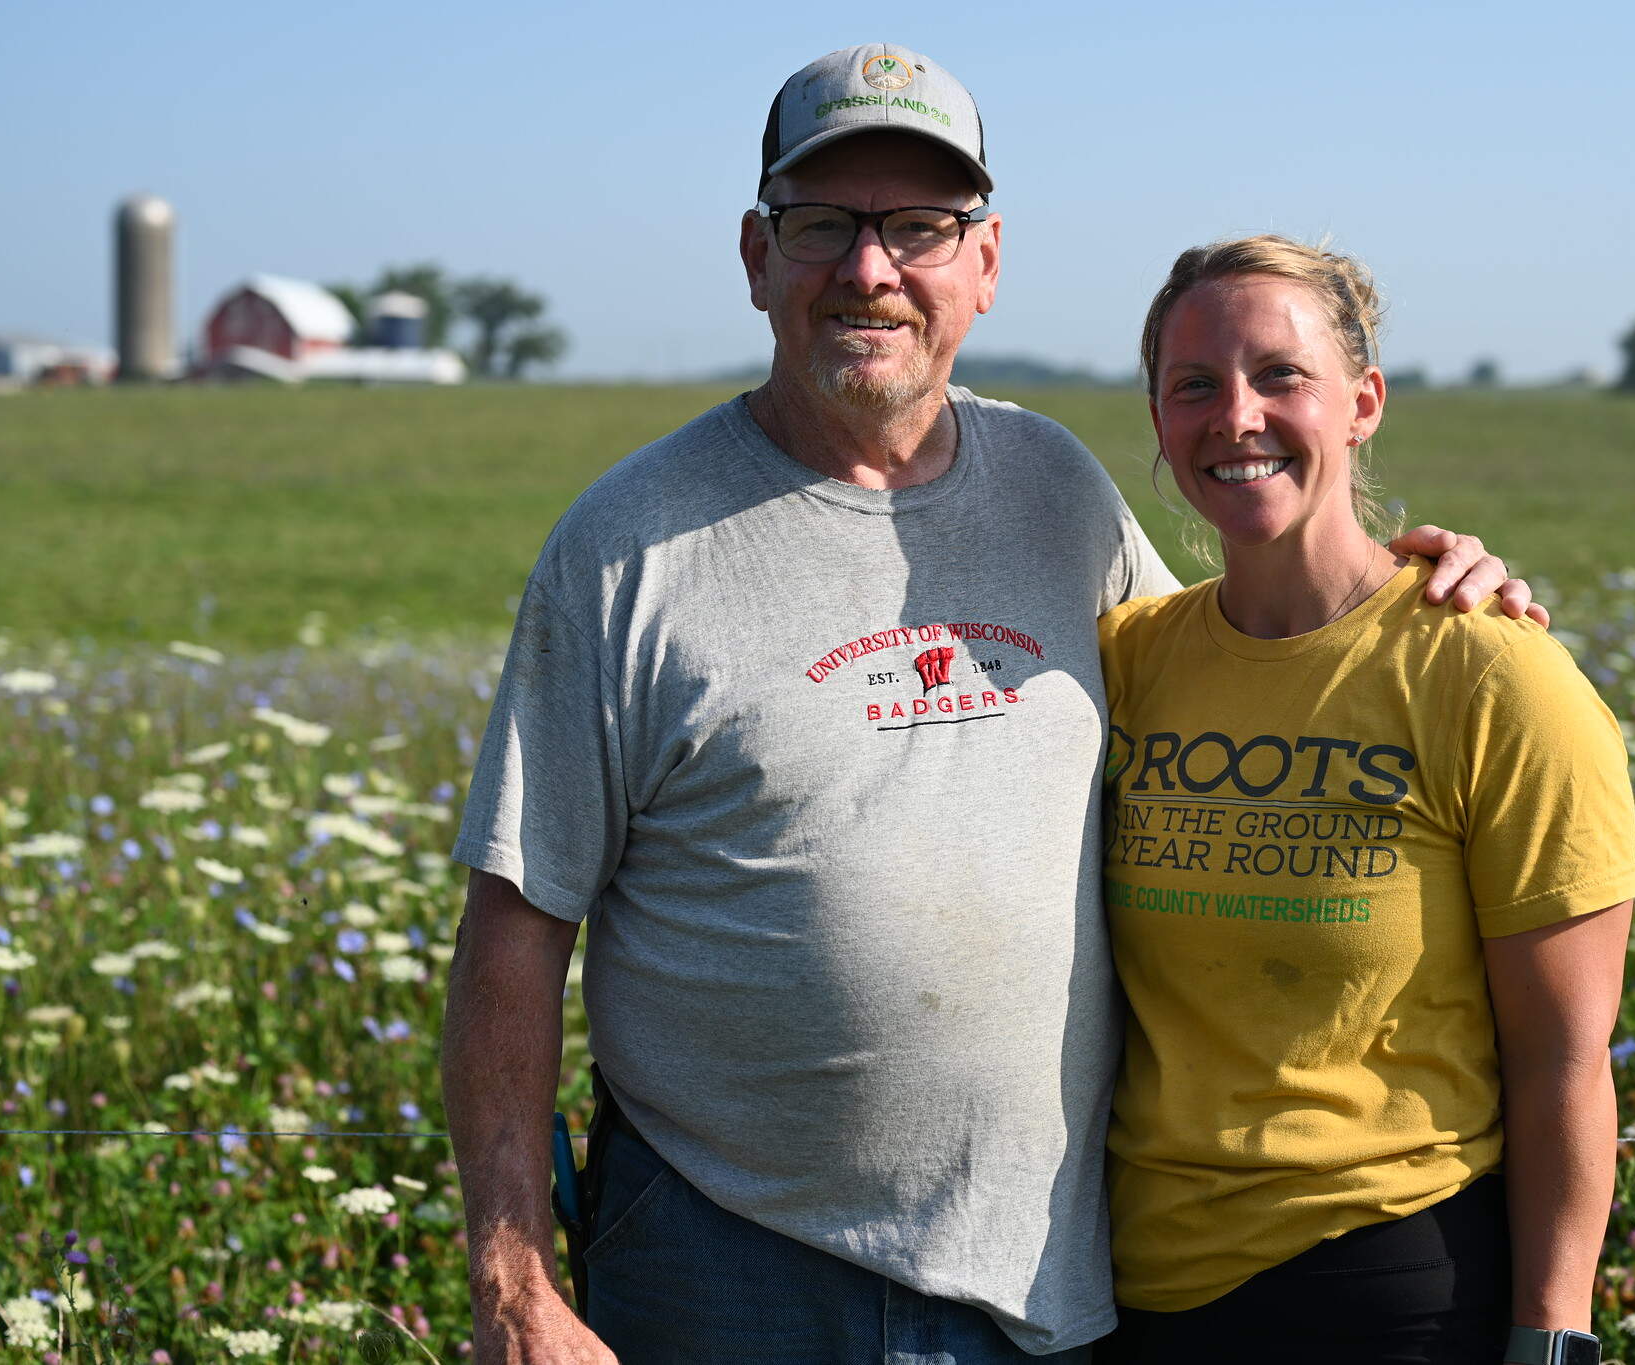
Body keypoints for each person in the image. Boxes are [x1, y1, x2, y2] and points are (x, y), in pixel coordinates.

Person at [441, 46, 1536, 1365]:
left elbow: (1241, 653)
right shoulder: (627, 546)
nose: (869, 269)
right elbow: (513, 929)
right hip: (724, 1258)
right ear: (754, 256)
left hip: (1046, 1279)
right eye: (822, 226)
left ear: (987, 262)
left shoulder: (1055, 488)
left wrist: (1418, 585)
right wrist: (516, 1285)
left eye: (919, 228)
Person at [1095, 235, 1635, 1365]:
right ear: (1155, 417)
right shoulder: (1128, 658)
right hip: (1132, 1294)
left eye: (1278, 376)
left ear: (1362, 403)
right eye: (1192, 384)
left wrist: (1552, 1340)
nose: (1233, 415)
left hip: (1391, 1287)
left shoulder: (1492, 676)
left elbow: (1565, 1064)